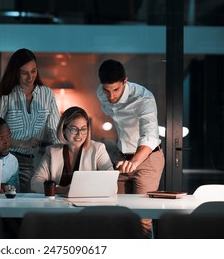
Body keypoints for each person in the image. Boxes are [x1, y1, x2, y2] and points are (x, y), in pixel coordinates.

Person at [96, 59, 164, 238]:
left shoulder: (144, 98)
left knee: (142, 219)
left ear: (125, 81)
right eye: (106, 90)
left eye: (116, 90)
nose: (110, 96)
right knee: (119, 213)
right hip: (122, 157)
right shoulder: (101, 93)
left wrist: (134, 161)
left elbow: (150, 136)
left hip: (147, 159)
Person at [0, 48, 60, 193]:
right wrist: (23, 143)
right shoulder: (6, 95)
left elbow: (55, 131)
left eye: (33, 71)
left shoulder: (47, 94)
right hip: (7, 159)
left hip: (36, 161)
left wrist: (63, 156)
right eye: (24, 73)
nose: (30, 77)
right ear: (15, 73)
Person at [31, 106, 113, 195]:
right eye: (74, 129)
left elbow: (112, 185)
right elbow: (35, 183)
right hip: (57, 205)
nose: (79, 134)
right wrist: (60, 190)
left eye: (83, 129)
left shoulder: (98, 149)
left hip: (87, 203)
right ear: (63, 130)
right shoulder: (52, 151)